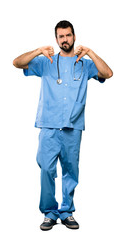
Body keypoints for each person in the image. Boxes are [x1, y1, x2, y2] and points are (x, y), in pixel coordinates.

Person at [13, 20, 113, 231]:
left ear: (74, 37)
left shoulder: (84, 65)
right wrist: (38, 51)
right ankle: (49, 212)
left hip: (73, 127)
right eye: (61, 36)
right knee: (46, 170)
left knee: (71, 171)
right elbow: (17, 62)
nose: (64, 39)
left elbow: (108, 73)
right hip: (48, 125)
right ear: (56, 39)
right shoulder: (46, 61)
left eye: (68, 35)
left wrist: (91, 53)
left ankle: (67, 212)